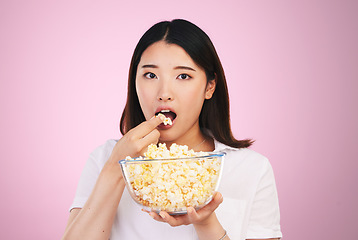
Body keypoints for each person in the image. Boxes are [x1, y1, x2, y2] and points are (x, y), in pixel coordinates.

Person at [62, 19, 282, 240]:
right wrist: (116, 168)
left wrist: (206, 223)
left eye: (183, 76)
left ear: (210, 86)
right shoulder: (105, 159)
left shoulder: (252, 169)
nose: (164, 93)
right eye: (150, 75)